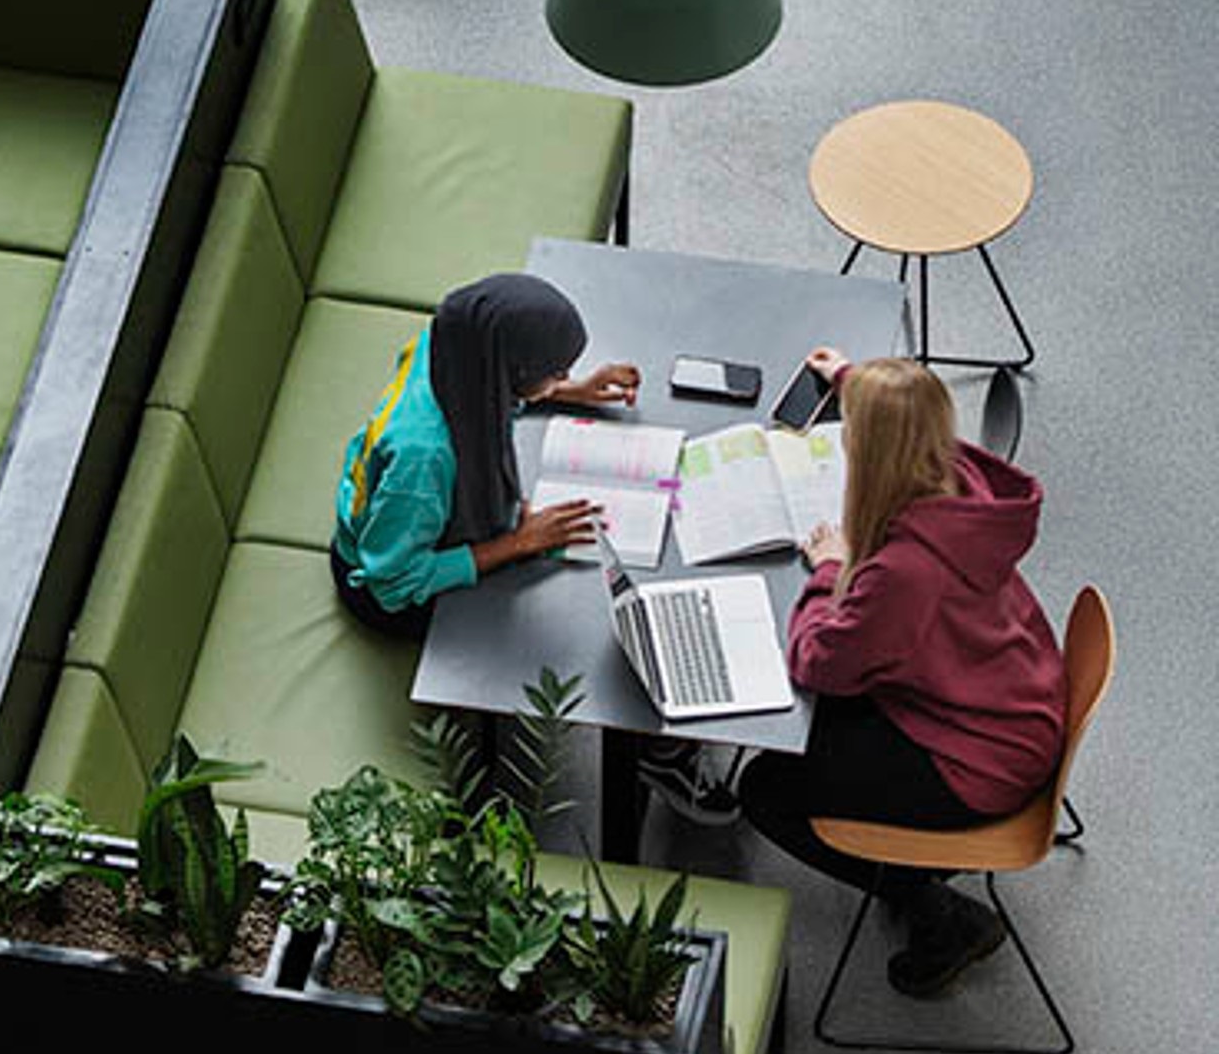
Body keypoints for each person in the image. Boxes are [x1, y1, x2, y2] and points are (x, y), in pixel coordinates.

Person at [330, 272, 737, 823]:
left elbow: (488, 394)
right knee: (573, 612)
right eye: (553, 372)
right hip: (388, 584)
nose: (561, 378)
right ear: (512, 374)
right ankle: (659, 753)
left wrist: (572, 391)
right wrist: (517, 543)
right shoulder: (423, 459)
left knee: (566, 573)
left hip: (414, 523)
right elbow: (392, 582)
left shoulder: (446, 344)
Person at [741, 352, 1065, 998]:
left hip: (973, 762)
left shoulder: (904, 573)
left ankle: (937, 914)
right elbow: (903, 412)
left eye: (852, 440)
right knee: (823, 727)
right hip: (1014, 698)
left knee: (765, 790)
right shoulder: (956, 471)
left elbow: (820, 662)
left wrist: (831, 569)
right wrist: (849, 380)